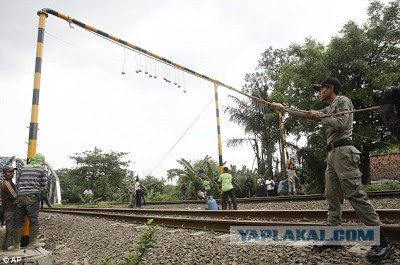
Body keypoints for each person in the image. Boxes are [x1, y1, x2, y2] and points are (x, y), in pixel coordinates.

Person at [272, 76, 394, 262]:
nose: (319, 92)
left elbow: (341, 124)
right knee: (332, 196)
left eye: (321, 89)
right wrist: (284, 108)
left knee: (355, 195)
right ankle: (334, 238)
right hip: (332, 154)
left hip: (344, 152)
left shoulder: (343, 101)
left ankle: (383, 242)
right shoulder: (330, 108)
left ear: (330, 88)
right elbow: (307, 113)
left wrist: (319, 116)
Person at [9, 153, 47, 250]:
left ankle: (16, 245)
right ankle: (32, 243)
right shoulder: (41, 169)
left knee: (17, 221)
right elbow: (43, 183)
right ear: (41, 160)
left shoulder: (23, 168)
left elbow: (18, 182)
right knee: (33, 220)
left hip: (20, 197)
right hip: (32, 197)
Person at [1, 166, 17, 250]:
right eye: (9, 172)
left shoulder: (9, 183)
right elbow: (15, 196)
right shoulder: (7, 184)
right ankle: (8, 247)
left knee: (9, 230)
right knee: (10, 231)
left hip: (8, 210)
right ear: (4, 174)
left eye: (13, 172)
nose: (12, 174)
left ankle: (5, 247)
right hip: (10, 210)